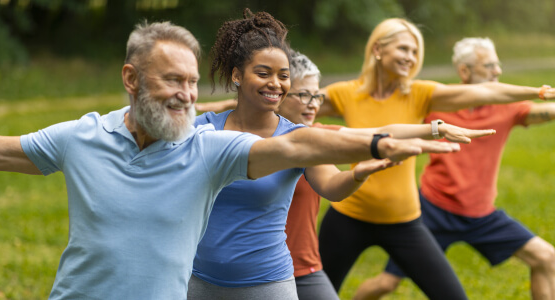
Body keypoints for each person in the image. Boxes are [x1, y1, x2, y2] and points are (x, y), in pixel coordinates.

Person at [0, 20, 465, 300]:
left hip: (266, 278)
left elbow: (304, 145)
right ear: (131, 79)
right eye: (172, 81)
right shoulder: (83, 137)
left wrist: (391, 139)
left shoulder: (207, 149)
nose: (185, 96)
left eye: (193, 83)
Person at [187, 10, 495, 300]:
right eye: (264, 73)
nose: (276, 83)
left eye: (283, 75)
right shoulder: (203, 131)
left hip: (268, 281)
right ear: (237, 76)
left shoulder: (297, 136)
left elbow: (333, 182)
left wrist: (359, 173)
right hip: (199, 279)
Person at [315, 18, 555, 300]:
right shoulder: (346, 94)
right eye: (404, 48)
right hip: (353, 216)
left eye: (415, 51)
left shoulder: (420, 94)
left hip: (407, 220)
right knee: (324, 292)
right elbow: (298, 107)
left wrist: (537, 92)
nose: (411, 57)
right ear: (377, 49)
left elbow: (485, 91)